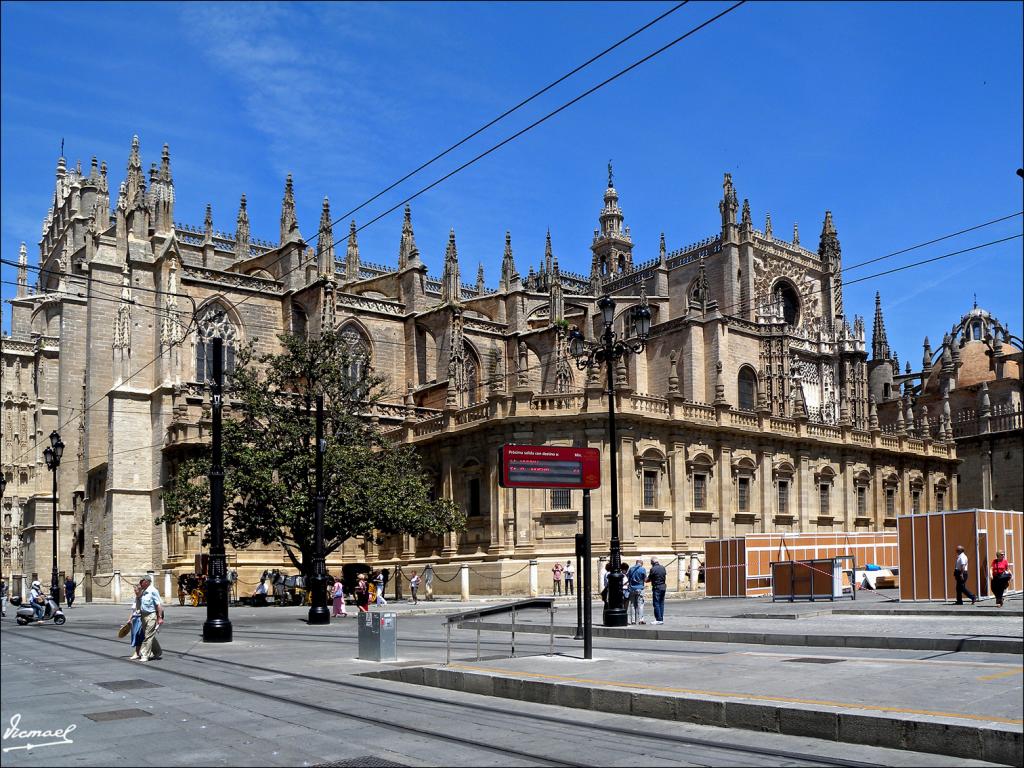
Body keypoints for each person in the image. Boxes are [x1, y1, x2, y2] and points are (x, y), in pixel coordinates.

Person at [136, 575, 164, 661]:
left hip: (152, 615)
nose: (140, 583)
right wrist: (139, 590)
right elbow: (138, 599)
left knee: (148, 636)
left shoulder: (153, 591)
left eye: (142, 581)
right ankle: (157, 651)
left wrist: (159, 617)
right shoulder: (143, 591)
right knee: (149, 635)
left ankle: (145, 655)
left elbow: (159, 605)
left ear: (147, 582)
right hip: (143, 616)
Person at [647, 556, 668, 624]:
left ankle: (658, 619)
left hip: (657, 587)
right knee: (661, 603)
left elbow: (649, 579)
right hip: (663, 586)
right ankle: (661, 618)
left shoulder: (653, 569)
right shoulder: (663, 567)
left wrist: (645, 580)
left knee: (656, 603)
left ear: (652, 562)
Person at [127, 581, 145, 659]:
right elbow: (133, 610)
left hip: (141, 618)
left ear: (140, 590)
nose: (135, 592)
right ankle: (151, 651)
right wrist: (129, 619)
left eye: (136, 591)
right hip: (135, 619)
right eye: (134, 591)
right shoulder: (136, 598)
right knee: (137, 635)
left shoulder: (144, 598)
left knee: (139, 635)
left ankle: (137, 653)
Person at [627, 559, 647, 625]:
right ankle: (640, 620)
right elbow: (645, 579)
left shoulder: (631, 569)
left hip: (632, 589)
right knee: (640, 604)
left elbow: (628, 577)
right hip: (640, 588)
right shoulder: (642, 569)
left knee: (632, 605)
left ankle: (633, 620)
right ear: (641, 563)